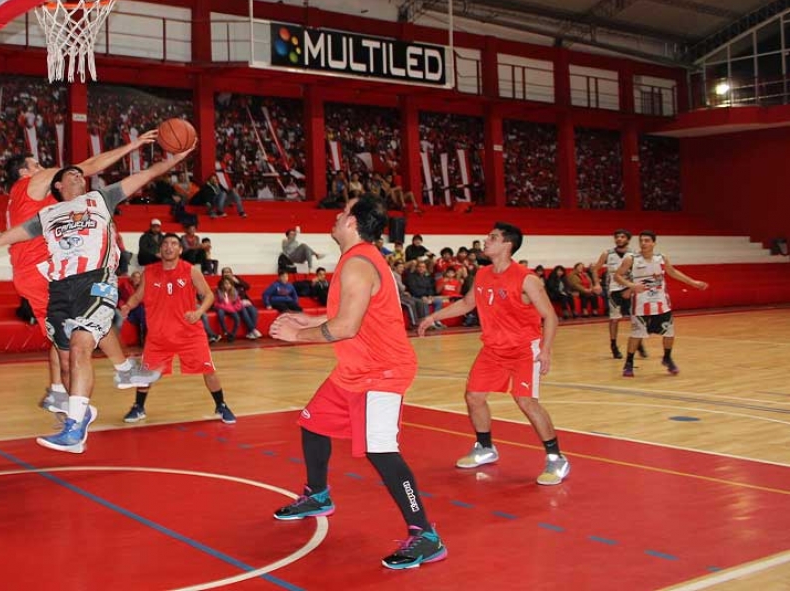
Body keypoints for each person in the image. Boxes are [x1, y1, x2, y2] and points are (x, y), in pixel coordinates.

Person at [0, 150, 190, 453]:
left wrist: (171, 160)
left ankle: (76, 416)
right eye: (69, 174)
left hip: (94, 280)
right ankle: (81, 394)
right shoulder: (46, 212)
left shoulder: (100, 199)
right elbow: (0, 239)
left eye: (80, 175)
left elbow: (143, 176)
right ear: (57, 186)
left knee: (79, 344)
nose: (77, 174)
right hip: (57, 285)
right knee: (69, 351)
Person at [269, 195, 446, 570]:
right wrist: (305, 321)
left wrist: (297, 337)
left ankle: (426, 534)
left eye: (343, 211)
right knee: (313, 422)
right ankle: (317, 494)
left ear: (353, 223)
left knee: (381, 450)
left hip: (381, 372)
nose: (335, 215)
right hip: (355, 370)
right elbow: (351, 317)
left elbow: (345, 327)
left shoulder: (359, 264)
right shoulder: (356, 260)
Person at [3, 131, 161, 417]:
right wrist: (133, 145)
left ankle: (60, 395)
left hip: (29, 273)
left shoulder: (20, 199)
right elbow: (89, 166)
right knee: (91, 319)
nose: (42, 169)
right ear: (24, 172)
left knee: (64, 336)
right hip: (43, 271)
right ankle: (123, 370)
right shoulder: (32, 183)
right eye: (36, 164)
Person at [418, 223, 570, 486]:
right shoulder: (483, 274)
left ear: (507, 245)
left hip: (524, 349)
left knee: (526, 402)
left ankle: (556, 458)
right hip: (493, 349)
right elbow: (467, 303)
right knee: (474, 396)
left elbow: (550, 316)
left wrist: (545, 350)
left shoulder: (527, 279)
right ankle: (485, 447)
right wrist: (433, 316)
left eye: (493, 238)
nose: (486, 241)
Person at [120, 234, 237, 425]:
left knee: (208, 370)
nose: (169, 247)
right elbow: (137, 296)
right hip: (159, 335)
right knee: (146, 372)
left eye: (174, 244)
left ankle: (221, 405)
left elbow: (208, 295)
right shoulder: (149, 272)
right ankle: (138, 407)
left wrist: (199, 312)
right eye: (165, 243)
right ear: (160, 250)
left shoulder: (190, 271)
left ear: (180, 250)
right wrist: (127, 307)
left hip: (189, 333)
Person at [614, 230, 709, 377]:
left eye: (647, 240)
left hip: (661, 303)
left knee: (669, 333)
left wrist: (693, 283)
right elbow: (617, 276)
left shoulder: (661, 258)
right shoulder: (631, 258)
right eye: (641, 241)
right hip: (640, 305)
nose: (643, 243)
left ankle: (667, 358)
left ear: (653, 243)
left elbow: (673, 272)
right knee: (637, 335)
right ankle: (629, 363)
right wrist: (632, 286)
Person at [593, 229, 642, 359]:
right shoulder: (607, 254)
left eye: (622, 237)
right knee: (614, 319)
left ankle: (638, 343)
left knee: (636, 318)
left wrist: (630, 289)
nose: (619, 239)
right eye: (617, 237)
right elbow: (594, 269)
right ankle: (613, 345)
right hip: (614, 290)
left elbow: (640, 274)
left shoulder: (634, 254)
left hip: (629, 289)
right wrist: (597, 283)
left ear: (628, 239)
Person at [215, 276, 262, 340]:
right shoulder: (219, 291)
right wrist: (228, 308)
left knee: (238, 317)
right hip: (223, 308)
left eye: (229, 284)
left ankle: (234, 334)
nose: (227, 285)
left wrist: (234, 308)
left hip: (232, 308)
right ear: (222, 284)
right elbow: (216, 304)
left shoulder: (234, 291)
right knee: (220, 313)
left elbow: (238, 303)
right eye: (225, 284)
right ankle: (225, 331)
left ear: (231, 285)